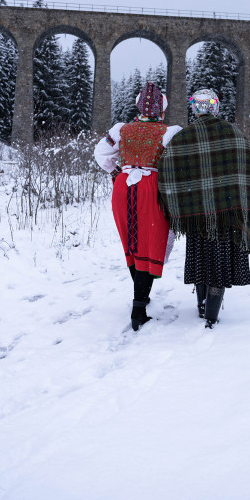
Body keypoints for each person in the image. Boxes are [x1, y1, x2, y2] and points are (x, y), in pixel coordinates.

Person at [157, 88, 250, 328]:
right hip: (227, 214)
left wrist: (181, 205)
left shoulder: (183, 137)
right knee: (220, 262)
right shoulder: (233, 133)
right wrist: (242, 205)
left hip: (196, 214)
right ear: (216, 107)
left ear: (194, 108)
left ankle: (202, 305)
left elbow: (167, 173)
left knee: (201, 257)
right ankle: (211, 315)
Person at [94, 82, 181, 330]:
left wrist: (116, 171)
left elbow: (101, 154)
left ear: (138, 105)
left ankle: (141, 296)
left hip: (124, 187)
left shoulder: (121, 129)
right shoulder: (170, 132)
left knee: (132, 240)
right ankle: (138, 307)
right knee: (152, 243)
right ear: (161, 109)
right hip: (151, 187)